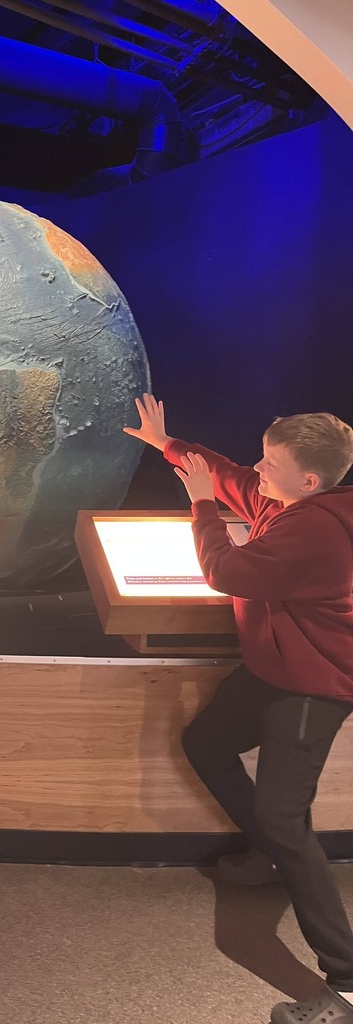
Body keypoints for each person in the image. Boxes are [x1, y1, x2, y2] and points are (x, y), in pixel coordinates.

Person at [125, 393, 353, 1024]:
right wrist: (166, 445)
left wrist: (200, 505)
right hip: (271, 672)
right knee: (206, 743)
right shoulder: (290, 502)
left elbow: (224, 570)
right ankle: (267, 851)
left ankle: (348, 981)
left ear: (309, 481)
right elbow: (230, 476)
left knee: (286, 821)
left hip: (311, 689)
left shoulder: (314, 533)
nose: (257, 468)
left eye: (270, 462)